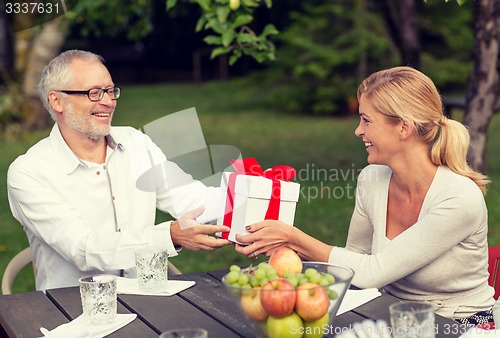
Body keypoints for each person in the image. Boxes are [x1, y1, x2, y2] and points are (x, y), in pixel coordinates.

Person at [235, 66, 495, 325]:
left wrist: (294, 236)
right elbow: (353, 262)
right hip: (392, 315)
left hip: (460, 323)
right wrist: (287, 246)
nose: (358, 131)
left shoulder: (459, 198)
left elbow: (373, 273)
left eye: (366, 120)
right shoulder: (372, 178)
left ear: (403, 127)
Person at [7, 49, 231, 291]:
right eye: (94, 93)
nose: (108, 101)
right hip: (72, 314)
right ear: (57, 101)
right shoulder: (28, 172)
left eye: (110, 90)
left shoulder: (136, 142)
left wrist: (263, 194)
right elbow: (84, 249)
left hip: (148, 300)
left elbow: (192, 199)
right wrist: (170, 235)